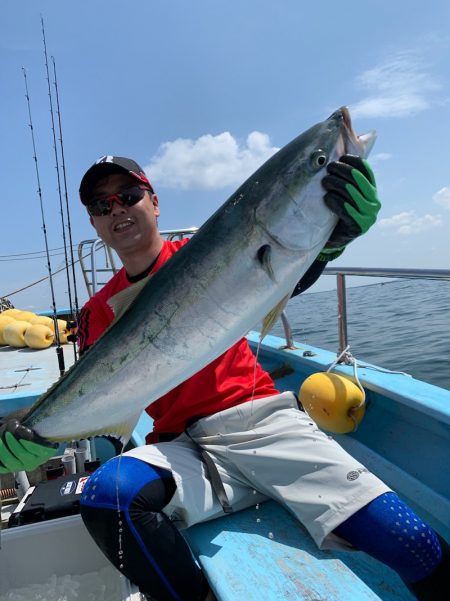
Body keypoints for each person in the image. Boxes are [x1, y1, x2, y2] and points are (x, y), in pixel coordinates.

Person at [0, 155, 447, 601]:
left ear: (154, 203)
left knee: (414, 543)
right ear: (95, 225)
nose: (116, 209)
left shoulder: (211, 253)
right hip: (181, 447)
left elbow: (279, 274)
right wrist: (37, 433)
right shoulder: (96, 312)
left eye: (128, 195)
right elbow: (98, 397)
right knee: (106, 496)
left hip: (263, 425)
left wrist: (330, 242)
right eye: (101, 206)